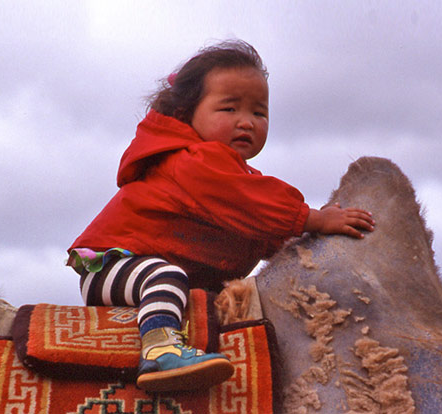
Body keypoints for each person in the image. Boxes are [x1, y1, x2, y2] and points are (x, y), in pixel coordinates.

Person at [67, 40, 375, 392]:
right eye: (229, 108)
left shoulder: (234, 178)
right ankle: (161, 350)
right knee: (166, 276)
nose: (247, 122)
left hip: (159, 275)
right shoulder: (191, 163)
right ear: (186, 112)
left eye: (259, 113)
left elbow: (261, 230)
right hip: (113, 265)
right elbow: (256, 204)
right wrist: (314, 219)